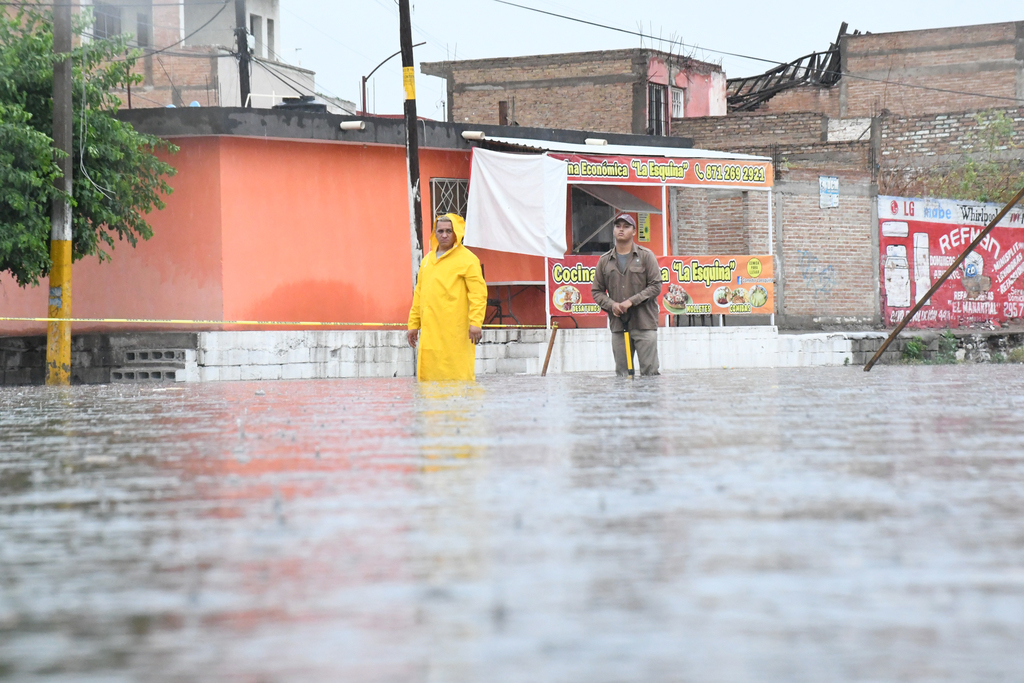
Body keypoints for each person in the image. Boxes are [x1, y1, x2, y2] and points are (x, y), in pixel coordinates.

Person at [407, 214, 487, 381]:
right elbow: (419, 294)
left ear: (456, 233)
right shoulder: (427, 261)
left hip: (455, 331)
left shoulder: (468, 260)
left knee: (457, 375)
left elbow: (478, 294)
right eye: (440, 231)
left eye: (449, 231)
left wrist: (475, 323)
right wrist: (413, 324)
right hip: (430, 333)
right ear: (434, 233)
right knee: (429, 378)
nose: (444, 235)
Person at [591, 213, 663, 376]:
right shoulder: (604, 260)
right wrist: (612, 305)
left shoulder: (646, 256)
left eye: (626, 226)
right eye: (618, 226)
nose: (621, 230)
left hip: (644, 324)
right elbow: (597, 291)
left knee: (650, 373)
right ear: (613, 230)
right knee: (623, 375)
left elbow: (656, 285)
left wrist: (631, 301)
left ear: (634, 231)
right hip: (619, 325)